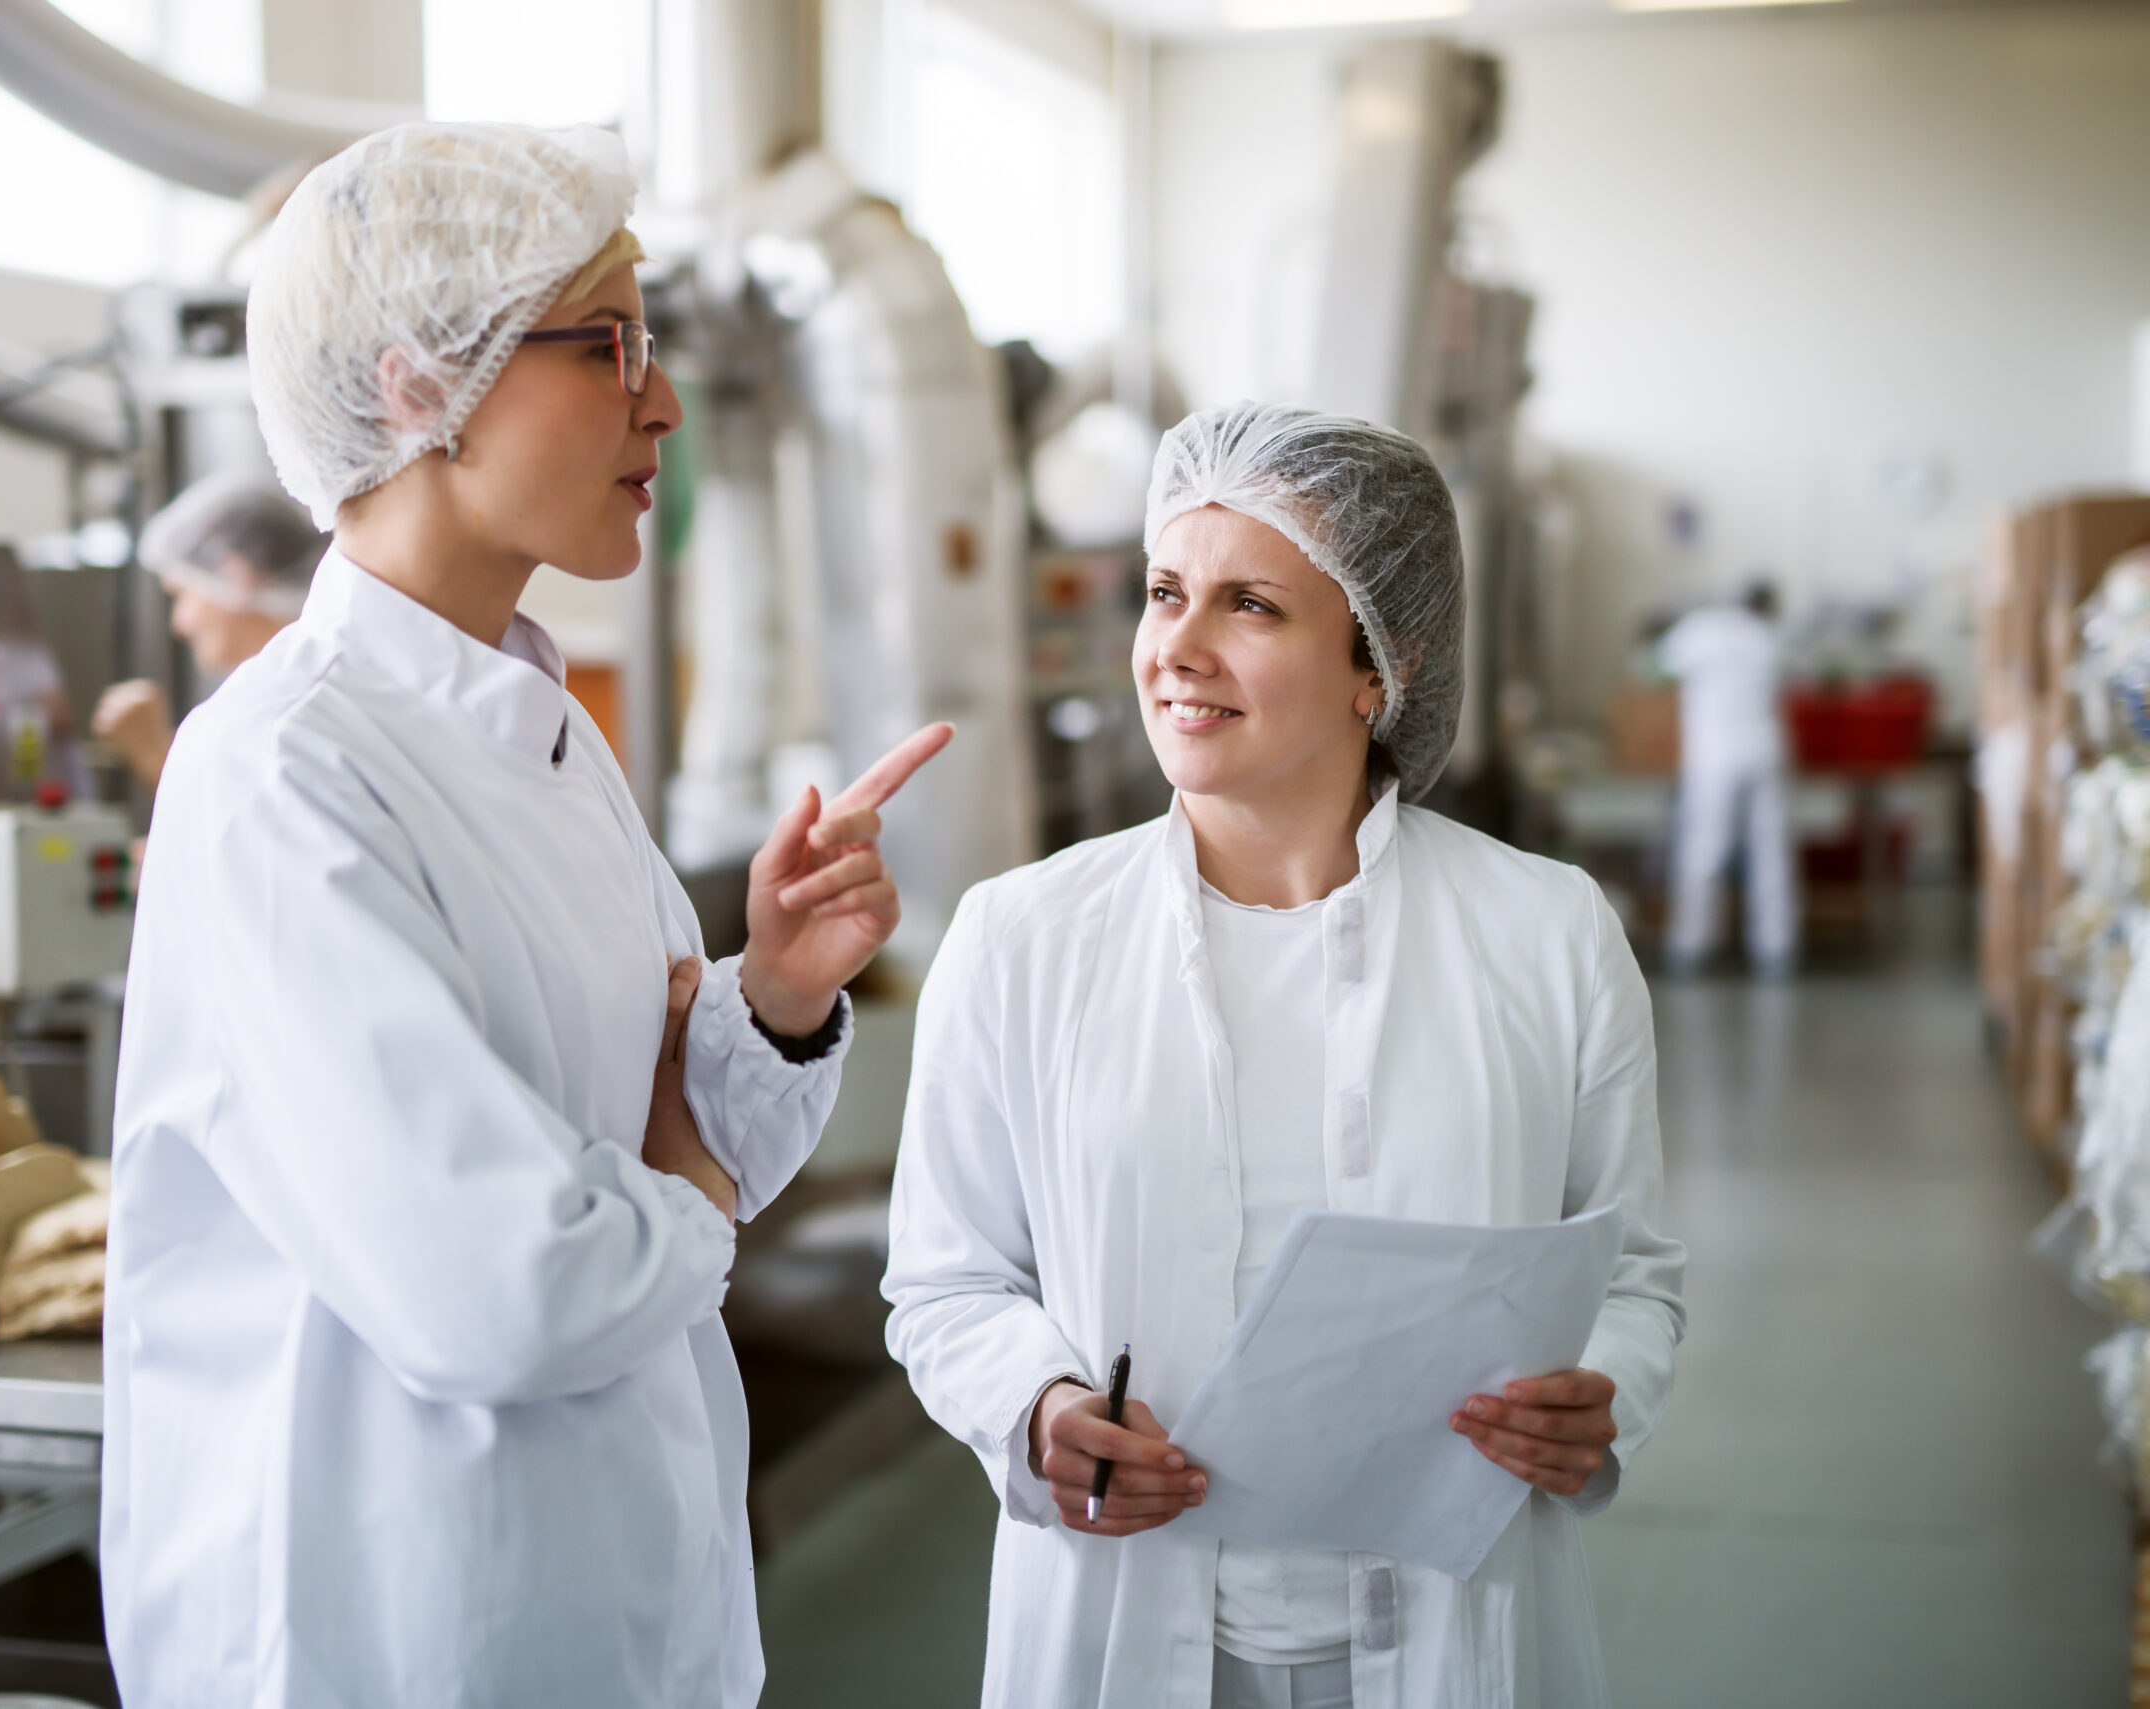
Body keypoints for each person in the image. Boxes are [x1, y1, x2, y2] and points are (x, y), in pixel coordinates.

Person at [101, 122, 949, 1709]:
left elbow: (674, 1163)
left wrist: (767, 994)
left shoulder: (540, 731)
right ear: (420, 386)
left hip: (606, 1591)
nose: (667, 403)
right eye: (609, 344)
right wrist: (677, 1176)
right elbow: (498, 1287)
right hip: (392, 1620)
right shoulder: (283, 774)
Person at [883, 403, 1685, 1709]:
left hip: (1454, 1622)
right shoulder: (1021, 939)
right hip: (1127, 1620)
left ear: (1381, 662)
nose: (1175, 649)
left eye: (1250, 604)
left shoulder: (1546, 934)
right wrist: (1037, 1409)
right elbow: (947, 1282)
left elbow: (1630, 1268)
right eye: (1163, 592)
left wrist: (1602, 1386)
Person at [89, 471, 328, 790]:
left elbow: (261, 824)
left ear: (237, 574)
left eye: (181, 595)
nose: (180, 625)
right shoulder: (280, 690)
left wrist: (154, 755)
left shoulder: (300, 700)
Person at [1661, 579, 1796, 977]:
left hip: (1714, 756)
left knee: (1705, 847)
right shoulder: (1767, 635)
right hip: (1765, 751)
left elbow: (1656, 667)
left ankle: (1691, 945)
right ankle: (1776, 948)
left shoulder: (1698, 630)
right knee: (1770, 850)